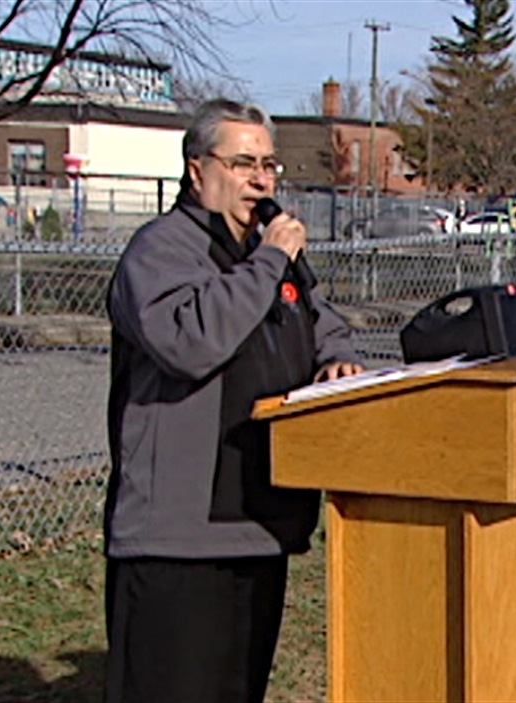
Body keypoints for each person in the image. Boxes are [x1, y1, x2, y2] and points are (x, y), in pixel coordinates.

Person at [104, 99, 364, 703]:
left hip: (262, 522)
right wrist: (271, 260)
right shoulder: (161, 250)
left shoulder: (271, 258)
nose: (260, 179)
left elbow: (322, 321)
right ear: (198, 170)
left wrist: (335, 360)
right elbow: (192, 342)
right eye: (242, 162)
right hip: (178, 540)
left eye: (269, 165)